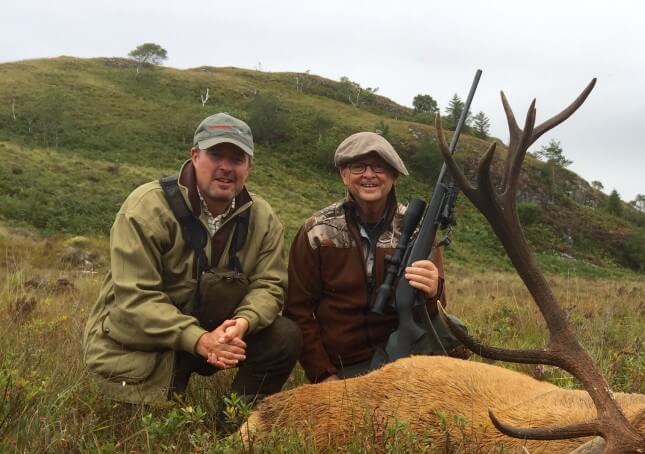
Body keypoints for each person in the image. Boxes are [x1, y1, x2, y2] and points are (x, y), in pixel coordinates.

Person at [83, 112, 301, 413]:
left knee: (285, 336)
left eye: (237, 159)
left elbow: (271, 285)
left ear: (249, 166)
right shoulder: (144, 208)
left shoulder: (264, 218)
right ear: (194, 155)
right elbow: (136, 298)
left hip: (219, 334)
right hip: (153, 342)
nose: (226, 167)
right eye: (215, 155)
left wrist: (242, 323)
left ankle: (233, 422)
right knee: (144, 435)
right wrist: (198, 339)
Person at [285, 132, 449, 382]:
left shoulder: (419, 231)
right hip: (343, 365)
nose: (369, 175)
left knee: (454, 330)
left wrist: (433, 291)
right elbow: (298, 311)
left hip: (407, 355)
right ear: (344, 174)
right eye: (358, 166)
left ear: (394, 175)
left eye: (380, 167)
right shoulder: (317, 231)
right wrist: (323, 374)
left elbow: (436, 308)